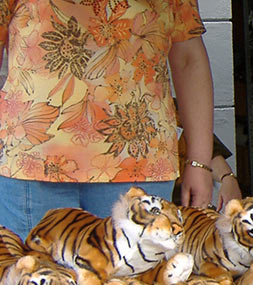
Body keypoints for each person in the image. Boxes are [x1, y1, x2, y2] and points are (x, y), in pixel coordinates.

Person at [0, 0, 214, 240]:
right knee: (38, 274)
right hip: (33, 162)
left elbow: (187, 58)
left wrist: (200, 161)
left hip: (139, 161)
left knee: (135, 276)